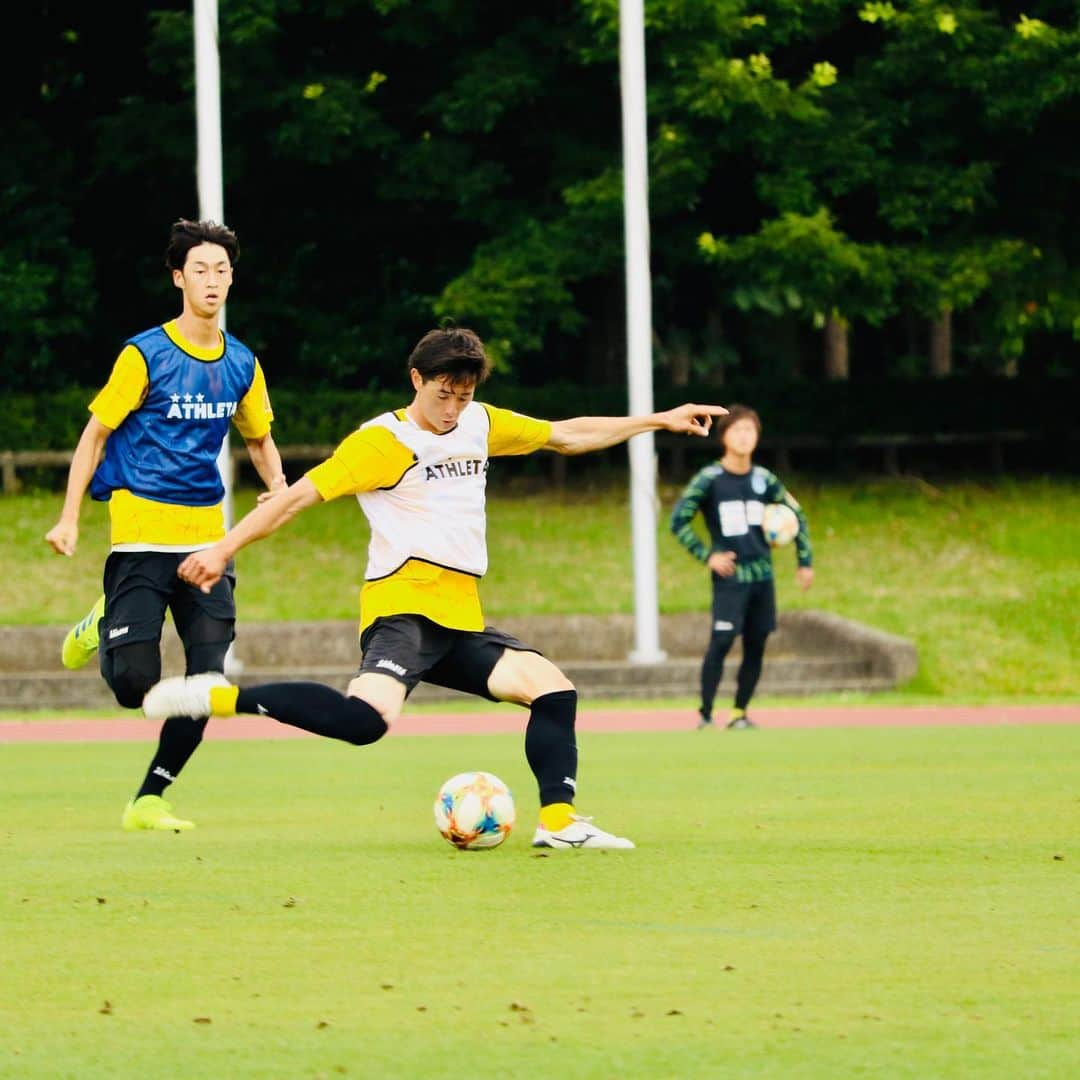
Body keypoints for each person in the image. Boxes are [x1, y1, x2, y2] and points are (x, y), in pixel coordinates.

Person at [140, 326, 727, 849]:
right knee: (365, 723)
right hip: (404, 609)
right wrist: (221, 549)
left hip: (459, 617)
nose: (452, 408)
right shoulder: (381, 443)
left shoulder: (479, 422)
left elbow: (565, 435)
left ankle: (559, 821)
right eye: (442, 394)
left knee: (553, 690)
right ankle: (218, 697)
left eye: (463, 395)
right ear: (416, 379)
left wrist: (656, 419)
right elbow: (295, 498)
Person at [44, 218, 286, 831]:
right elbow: (95, 434)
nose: (212, 279)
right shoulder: (144, 353)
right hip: (140, 534)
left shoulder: (241, 363)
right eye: (200, 269)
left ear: (232, 278)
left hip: (206, 541)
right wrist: (70, 517)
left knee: (204, 683)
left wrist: (280, 491)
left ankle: (150, 798)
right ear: (179, 278)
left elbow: (259, 439)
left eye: (222, 269)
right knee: (134, 686)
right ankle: (102, 618)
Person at [669, 404, 813, 730]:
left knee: (757, 643)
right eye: (738, 430)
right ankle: (706, 713)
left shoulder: (765, 480)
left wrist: (805, 562)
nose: (745, 436)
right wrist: (708, 555)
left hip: (762, 575)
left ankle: (739, 713)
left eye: (751, 430)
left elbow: (797, 517)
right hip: (730, 577)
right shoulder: (710, 479)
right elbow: (678, 521)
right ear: (724, 437)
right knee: (721, 641)